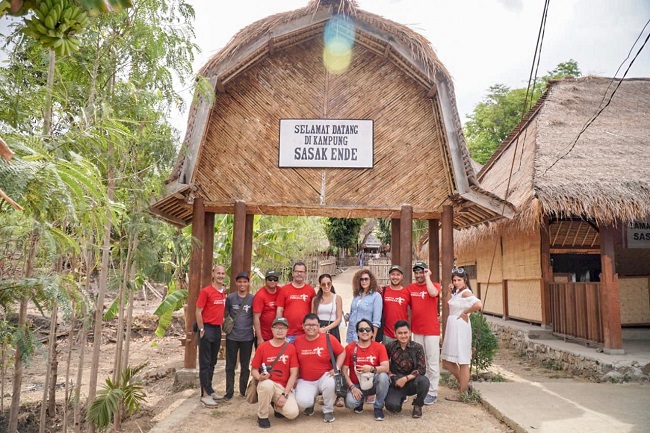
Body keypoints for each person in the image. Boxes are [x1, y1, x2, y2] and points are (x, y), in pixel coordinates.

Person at [294, 313, 345, 423]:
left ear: (319, 326)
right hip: (305, 379)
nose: (311, 327)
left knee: (331, 383)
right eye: (308, 325)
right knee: (303, 402)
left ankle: (328, 410)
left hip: (324, 376)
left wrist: (336, 368)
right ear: (303, 326)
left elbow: (342, 352)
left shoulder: (328, 338)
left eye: (314, 325)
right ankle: (310, 404)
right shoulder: (298, 341)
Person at [441, 268, 483, 401]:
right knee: (446, 362)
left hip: (460, 326)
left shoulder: (466, 292)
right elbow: (448, 305)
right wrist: (449, 291)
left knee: (463, 360)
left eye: (459, 280)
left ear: (465, 280)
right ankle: (464, 385)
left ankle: (462, 393)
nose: (456, 282)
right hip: (453, 325)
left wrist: (465, 312)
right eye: (454, 280)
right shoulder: (457, 293)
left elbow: (478, 304)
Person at [250, 317, 299, 428]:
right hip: (267, 383)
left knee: (292, 413)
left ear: (287, 330)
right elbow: (254, 369)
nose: (280, 330)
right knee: (266, 385)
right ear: (272, 329)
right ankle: (262, 416)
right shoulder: (263, 347)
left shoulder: (291, 348)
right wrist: (259, 377)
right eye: (277, 327)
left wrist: (285, 394)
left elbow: (294, 373)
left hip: (283, 387)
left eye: (283, 328)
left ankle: (276, 405)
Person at [406, 261, 441, 405]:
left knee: (432, 361)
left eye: (422, 272)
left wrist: (427, 277)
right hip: (417, 330)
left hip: (431, 330)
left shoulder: (434, 285)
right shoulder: (411, 288)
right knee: (420, 362)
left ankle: (433, 392)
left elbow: (433, 293)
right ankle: (422, 389)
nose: (419, 275)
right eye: (417, 272)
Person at [342, 319, 390, 421]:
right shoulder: (350, 348)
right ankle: (360, 401)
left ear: (372, 333)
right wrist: (352, 387)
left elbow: (386, 367)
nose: (364, 332)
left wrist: (371, 369)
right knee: (350, 403)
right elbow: (344, 371)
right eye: (361, 330)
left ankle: (378, 407)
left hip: (373, 383)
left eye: (368, 330)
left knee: (383, 377)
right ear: (357, 333)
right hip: (357, 385)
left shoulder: (379, 347)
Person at [195, 264, 227, 407]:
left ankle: (210, 389)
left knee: (213, 361)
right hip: (206, 328)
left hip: (217, 329)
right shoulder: (206, 291)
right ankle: (204, 394)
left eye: (223, 273)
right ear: (213, 274)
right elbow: (198, 311)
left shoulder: (223, 292)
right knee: (205, 362)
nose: (220, 276)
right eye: (218, 273)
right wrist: (201, 329)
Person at [385, 320, 429, 418]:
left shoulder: (417, 347)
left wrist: (406, 378)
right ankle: (399, 399)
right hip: (397, 382)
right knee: (392, 407)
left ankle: (418, 405)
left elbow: (422, 369)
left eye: (405, 333)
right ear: (395, 334)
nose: (403, 336)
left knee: (424, 381)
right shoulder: (389, 346)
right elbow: (383, 363)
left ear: (410, 333)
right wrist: (389, 373)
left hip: (412, 381)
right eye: (400, 333)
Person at [224, 271, 255, 400]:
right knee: (230, 365)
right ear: (236, 283)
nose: (242, 284)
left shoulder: (252, 299)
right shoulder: (230, 298)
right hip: (232, 336)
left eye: (245, 282)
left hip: (247, 337)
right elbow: (226, 314)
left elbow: (255, 316)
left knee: (245, 365)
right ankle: (229, 391)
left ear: (248, 283)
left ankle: (243, 391)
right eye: (240, 281)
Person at [276, 261, 315, 343]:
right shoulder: (284, 290)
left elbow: (313, 312)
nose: (299, 274)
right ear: (293, 273)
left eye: (301, 272)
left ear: (305, 273)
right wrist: (279, 328)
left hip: (305, 332)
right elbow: (279, 310)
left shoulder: (311, 290)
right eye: (297, 271)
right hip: (288, 333)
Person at [346, 269, 382, 344]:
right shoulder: (357, 295)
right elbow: (353, 313)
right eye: (361, 279)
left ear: (371, 280)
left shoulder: (376, 296)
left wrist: (373, 338)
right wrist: (344, 317)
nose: (364, 281)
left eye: (366, 279)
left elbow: (376, 321)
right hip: (352, 333)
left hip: (364, 334)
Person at [381, 265, 410, 345]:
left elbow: (416, 307)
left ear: (402, 276)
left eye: (398, 275)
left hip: (402, 334)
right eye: (393, 274)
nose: (395, 277)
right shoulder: (383, 291)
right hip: (387, 334)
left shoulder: (407, 292)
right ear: (389, 276)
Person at [311, 273, 343, 342]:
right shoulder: (315, 299)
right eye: (323, 284)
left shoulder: (337, 298)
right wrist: (318, 328)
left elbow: (339, 318)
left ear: (331, 284)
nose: (326, 286)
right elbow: (313, 316)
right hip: (318, 329)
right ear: (320, 285)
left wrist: (326, 329)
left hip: (333, 329)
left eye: (328, 284)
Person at [253, 270, 282, 345]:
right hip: (264, 336)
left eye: (275, 279)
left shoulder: (281, 291)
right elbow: (256, 318)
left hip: (278, 335)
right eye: (270, 279)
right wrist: (259, 338)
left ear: (277, 281)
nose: (272, 281)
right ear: (265, 280)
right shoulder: (260, 295)